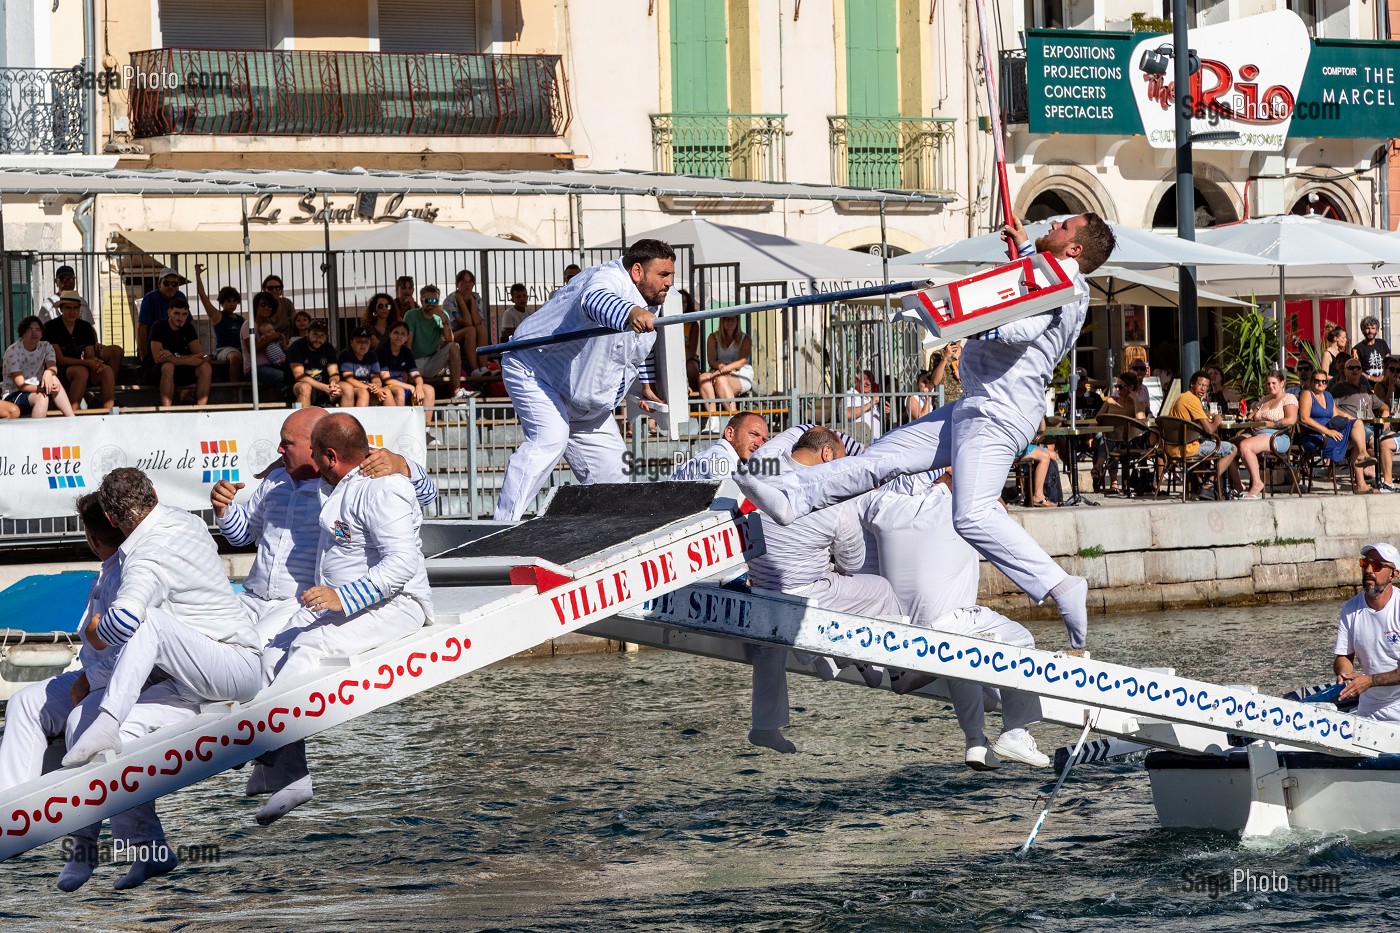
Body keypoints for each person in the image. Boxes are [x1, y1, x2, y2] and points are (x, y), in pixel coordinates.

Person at [735, 213, 1117, 655]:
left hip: (998, 412)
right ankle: (796, 497)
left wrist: (954, 315)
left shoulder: (1062, 280)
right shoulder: (1055, 275)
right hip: (975, 405)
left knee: (971, 514)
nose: (1054, 222)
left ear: (1075, 249)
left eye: (1065, 226)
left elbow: (1022, 326)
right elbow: (1031, 291)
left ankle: (1061, 585)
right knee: (882, 457)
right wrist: (1023, 250)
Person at [212, 408, 436, 821]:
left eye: (298, 446)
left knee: (308, 645)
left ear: (327, 455)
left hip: (388, 601)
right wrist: (226, 511)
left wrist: (405, 464)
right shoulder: (295, 481)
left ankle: (258, 742)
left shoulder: (378, 483)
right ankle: (280, 767)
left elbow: (406, 553)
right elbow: (247, 533)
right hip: (320, 598)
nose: (282, 452)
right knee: (268, 653)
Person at [0, 493, 196, 891]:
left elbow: (141, 649)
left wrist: (93, 678)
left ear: (92, 537)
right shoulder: (110, 568)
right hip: (92, 675)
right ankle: (11, 814)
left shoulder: (140, 570)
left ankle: (84, 846)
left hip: (139, 684)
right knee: (23, 702)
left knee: (82, 727)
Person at [62, 469, 262, 771]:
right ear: (154, 493)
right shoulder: (189, 521)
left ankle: (109, 721)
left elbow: (126, 620)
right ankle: (110, 809)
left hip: (232, 667)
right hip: (191, 679)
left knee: (150, 621)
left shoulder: (144, 557)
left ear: (111, 519)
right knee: (81, 723)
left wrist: (95, 632)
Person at [862, 471, 1048, 769]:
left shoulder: (885, 507)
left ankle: (975, 740)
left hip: (900, 636)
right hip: (948, 624)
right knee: (1021, 639)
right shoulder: (963, 511)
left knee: (961, 657)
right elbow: (1001, 514)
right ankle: (1015, 730)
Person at [743, 426, 899, 754]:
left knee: (769, 643)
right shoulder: (830, 496)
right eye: (841, 461)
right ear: (828, 456)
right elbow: (853, 561)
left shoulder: (763, 473)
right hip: (806, 595)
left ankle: (764, 727)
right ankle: (885, 667)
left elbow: (785, 438)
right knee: (880, 590)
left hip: (759, 592)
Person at [493, 240, 674, 522]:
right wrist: (629, 313)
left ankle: (608, 541)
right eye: (663, 275)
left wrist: (640, 391)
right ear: (637, 271)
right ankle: (501, 527)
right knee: (549, 440)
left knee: (615, 476)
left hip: (587, 402)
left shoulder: (651, 303)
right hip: (536, 372)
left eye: (671, 275)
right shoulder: (605, 278)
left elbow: (628, 357)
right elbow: (595, 301)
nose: (669, 283)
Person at [1336, 543, 1400, 721]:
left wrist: (1369, 681)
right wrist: (1346, 676)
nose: (1369, 570)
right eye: (1365, 564)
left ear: (1394, 574)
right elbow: (1343, 657)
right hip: (1369, 710)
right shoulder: (1350, 608)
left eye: (1377, 566)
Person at [1164, 371, 1242, 500]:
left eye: (1206, 386)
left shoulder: (1181, 397)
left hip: (1173, 447)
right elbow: (1210, 430)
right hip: (1188, 448)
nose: (1203, 388)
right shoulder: (1192, 400)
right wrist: (1217, 420)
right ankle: (1209, 484)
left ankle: (1202, 486)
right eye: (1200, 384)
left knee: (1206, 444)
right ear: (1192, 384)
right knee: (1232, 448)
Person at [1298, 366, 1375, 493]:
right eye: (1317, 381)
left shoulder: (1327, 395)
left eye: (1324, 381)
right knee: (1355, 438)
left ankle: (1361, 476)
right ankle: (1362, 458)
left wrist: (1355, 420)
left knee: (1357, 428)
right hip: (1316, 435)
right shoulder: (1307, 394)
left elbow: (1336, 413)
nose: (1321, 384)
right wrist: (1327, 431)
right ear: (1312, 382)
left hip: (1332, 432)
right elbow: (1304, 418)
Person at [40, 265, 122, 372]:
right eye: (63, 279)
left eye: (71, 278)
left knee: (115, 352)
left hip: (85, 347)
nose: (68, 281)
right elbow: (44, 332)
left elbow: (89, 326)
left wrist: (94, 342)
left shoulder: (82, 301)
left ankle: (109, 384)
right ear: (57, 281)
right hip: (60, 350)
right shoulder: (48, 305)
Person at [43, 290, 115, 409]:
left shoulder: (85, 327)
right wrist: (87, 362)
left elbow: (90, 355)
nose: (72, 311)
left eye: (75, 308)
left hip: (80, 367)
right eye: (68, 308)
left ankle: (108, 413)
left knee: (106, 370)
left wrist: (95, 363)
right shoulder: (51, 327)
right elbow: (58, 360)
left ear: (79, 309)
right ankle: (72, 413)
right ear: (61, 309)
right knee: (81, 371)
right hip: (57, 371)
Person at [1332, 358, 1396, 490]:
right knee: (1377, 442)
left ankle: (1383, 479)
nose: (1355, 370)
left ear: (1361, 371)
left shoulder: (1366, 389)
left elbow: (1383, 406)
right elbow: (1332, 409)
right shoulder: (1339, 388)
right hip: (1354, 427)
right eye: (1351, 368)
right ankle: (1379, 477)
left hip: (1373, 425)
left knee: (1389, 441)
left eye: (1358, 368)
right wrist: (1348, 417)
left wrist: (1384, 416)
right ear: (1345, 371)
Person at [377, 320, 440, 445]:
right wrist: (412, 387)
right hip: (388, 388)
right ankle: (400, 432)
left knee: (429, 390)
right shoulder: (382, 350)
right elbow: (386, 379)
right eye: (396, 333)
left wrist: (419, 387)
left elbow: (416, 374)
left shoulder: (406, 352)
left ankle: (425, 431)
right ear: (390, 334)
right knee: (399, 391)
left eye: (403, 334)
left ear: (407, 337)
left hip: (404, 386)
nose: (399, 336)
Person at [1238, 370, 1298, 499]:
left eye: (1274, 383)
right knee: (1231, 445)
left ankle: (1257, 483)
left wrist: (1267, 424)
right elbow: (1250, 417)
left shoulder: (1288, 398)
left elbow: (1291, 420)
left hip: (1278, 436)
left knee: (1245, 446)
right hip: (1257, 434)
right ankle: (1236, 485)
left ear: (1282, 383)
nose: (1271, 386)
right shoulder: (1265, 399)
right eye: (1268, 384)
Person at [404, 285, 469, 402]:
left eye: (435, 300)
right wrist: (409, 368)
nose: (431, 304)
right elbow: (408, 344)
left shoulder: (441, 315)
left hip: (432, 361)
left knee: (454, 347)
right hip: (415, 362)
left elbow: (450, 340)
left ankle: (457, 391)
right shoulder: (411, 315)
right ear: (421, 301)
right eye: (428, 300)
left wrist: (444, 320)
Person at [147, 296, 213, 408]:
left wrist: (174, 356)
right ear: (169, 312)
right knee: (168, 366)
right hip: (159, 372)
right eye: (177, 313)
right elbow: (158, 358)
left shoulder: (188, 328)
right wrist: (188, 359)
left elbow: (200, 356)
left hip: (182, 370)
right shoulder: (158, 326)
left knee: (205, 367)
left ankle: (201, 409)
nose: (180, 317)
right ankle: (166, 411)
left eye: (184, 314)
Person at [4, 314, 75, 417]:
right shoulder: (13, 351)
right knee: (42, 396)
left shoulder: (46, 346)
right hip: (14, 395)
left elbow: (53, 367)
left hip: (36, 390)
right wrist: (44, 389)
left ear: (42, 334)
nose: (34, 333)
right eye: (29, 330)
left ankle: (71, 418)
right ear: (22, 333)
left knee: (53, 378)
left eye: (37, 330)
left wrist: (48, 372)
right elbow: (21, 386)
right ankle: (37, 431)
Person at [696, 314, 753, 433]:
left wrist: (725, 369)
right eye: (726, 319)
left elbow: (741, 361)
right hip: (718, 369)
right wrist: (720, 367)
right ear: (721, 321)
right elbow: (711, 360)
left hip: (740, 373)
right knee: (703, 378)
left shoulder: (745, 338)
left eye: (733, 319)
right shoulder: (713, 337)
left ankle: (734, 418)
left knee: (720, 379)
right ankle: (713, 419)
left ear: (737, 321)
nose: (730, 322)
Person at [671, 411, 770, 480]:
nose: (760, 444)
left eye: (764, 440)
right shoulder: (718, 463)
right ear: (730, 433)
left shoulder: (728, 461)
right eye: (754, 434)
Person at [194, 265, 246, 382]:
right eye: (228, 301)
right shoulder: (217, 315)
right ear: (222, 303)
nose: (232, 304)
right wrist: (197, 275)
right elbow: (202, 295)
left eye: (234, 301)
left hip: (242, 349)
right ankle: (234, 392)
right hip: (225, 350)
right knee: (235, 357)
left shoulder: (240, 319)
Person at [136, 268, 187, 366]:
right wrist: (143, 354)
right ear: (159, 284)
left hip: (174, 346)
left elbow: (186, 324)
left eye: (174, 284)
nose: (171, 286)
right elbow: (142, 327)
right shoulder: (150, 298)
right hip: (154, 346)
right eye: (167, 283)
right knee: (167, 367)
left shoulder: (180, 296)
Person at [288, 318, 342, 408]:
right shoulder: (297, 347)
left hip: (324, 386)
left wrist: (333, 382)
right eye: (315, 334)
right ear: (307, 333)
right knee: (305, 387)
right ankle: (303, 421)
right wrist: (324, 387)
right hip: (295, 386)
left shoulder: (329, 348)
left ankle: (345, 421)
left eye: (322, 335)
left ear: (326, 337)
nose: (318, 338)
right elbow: (299, 376)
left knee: (347, 388)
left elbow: (334, 373)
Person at [443, 269, 488, 373]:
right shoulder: (450, 300)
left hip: (472, 336)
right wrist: (461, 301)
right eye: (463, 282)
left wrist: (471, 301)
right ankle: (474, 370)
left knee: (480, 328)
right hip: (452, 336)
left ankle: (484, 367)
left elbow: (478, 322)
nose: (467, 285)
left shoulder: (476, 297)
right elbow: (467, 322)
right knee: (470, 330)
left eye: (470, 282)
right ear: (457, 284)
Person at [335, 326, 382, 407]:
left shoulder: (372, 355)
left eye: (366, 342)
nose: (363, 345)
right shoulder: (346, 354)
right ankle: (360, 419)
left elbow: (376, 377)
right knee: (363, 392)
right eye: (359, 341)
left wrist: (376, 386)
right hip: (349, 388)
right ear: (351, 342)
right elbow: (349, 379)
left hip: (367, 387)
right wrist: (369, 388)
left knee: (386, 393)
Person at [243, 317, 288, 393]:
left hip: (272, 364)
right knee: (282, 376)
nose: (267, 308)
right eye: (263, 305)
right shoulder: (248, 325)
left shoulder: (267, 324)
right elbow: (252, 349)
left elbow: (284, 347)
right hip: (255, 367)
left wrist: (281, 338)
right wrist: (270, 338)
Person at [844, 369, 886, 446]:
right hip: (858, 442)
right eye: (865, 379)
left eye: (871, 380)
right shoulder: (849, 395)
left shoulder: (871, 398)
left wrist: (887, 414)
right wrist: (870, 404)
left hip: (876, 441)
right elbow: (848, 414)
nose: (868, 383)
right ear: (857, 380)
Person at [1353, 316, 1391, 390]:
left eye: (1373, 328)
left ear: (1377, 330)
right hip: (1367, 388)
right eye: (1367, 328)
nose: (1370, 331)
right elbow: (1356, 370)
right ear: (1362, 330)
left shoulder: (1382, 343)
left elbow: (1389, 362)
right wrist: (1373, 378)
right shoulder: (1357, 349)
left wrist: (1384, 376)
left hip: (1384, 385)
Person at [1019, 442, 1060, 507]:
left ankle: (1050, 494)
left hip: (1020, 444)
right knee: (1044, 456)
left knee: (1052, 454)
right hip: (1014, 446)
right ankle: (1038, 495)